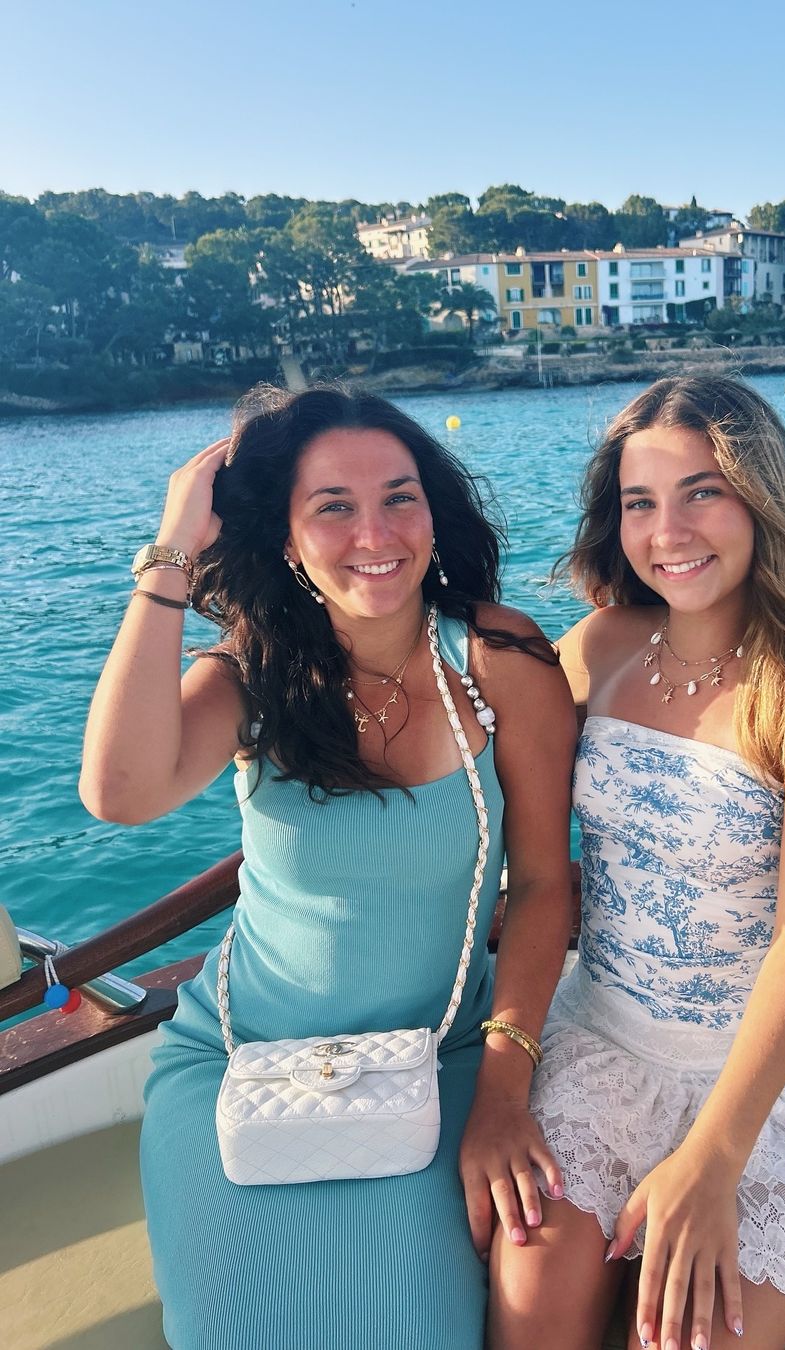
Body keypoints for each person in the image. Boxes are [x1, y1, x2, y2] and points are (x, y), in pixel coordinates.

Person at [79, 384, 576, 1349]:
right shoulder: (249, 675)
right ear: (285, 537)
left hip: (441, 1059)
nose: (374, 534)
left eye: (399, 497)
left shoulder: (496, 657)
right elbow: (119, 792)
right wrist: (173, 549)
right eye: (333, 507)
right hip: (238, 1061)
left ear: (433, 511)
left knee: (421, 1329)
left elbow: (546, 888)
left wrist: (503, 1091)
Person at [488, 375, 785, 1350]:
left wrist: (713, 1164)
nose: (667, 530)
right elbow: (479, 757)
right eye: (640, 502)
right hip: (602, 1051)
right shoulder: (601, 646)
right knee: (528, 1315)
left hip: (769, 1092)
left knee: (681, 1342)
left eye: (701, 492)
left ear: (765, 499)